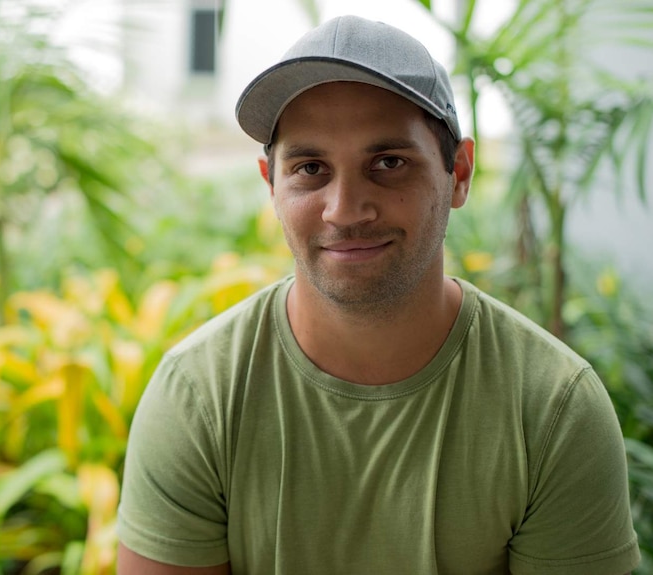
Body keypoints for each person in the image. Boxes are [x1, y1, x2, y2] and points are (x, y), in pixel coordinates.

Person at [115, 15, 640, 575]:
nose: (345, 209)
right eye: (310, 168)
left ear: (458, 173)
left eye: (388, 164)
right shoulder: (199, 398)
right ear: (271, 183)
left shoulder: (553, 409)